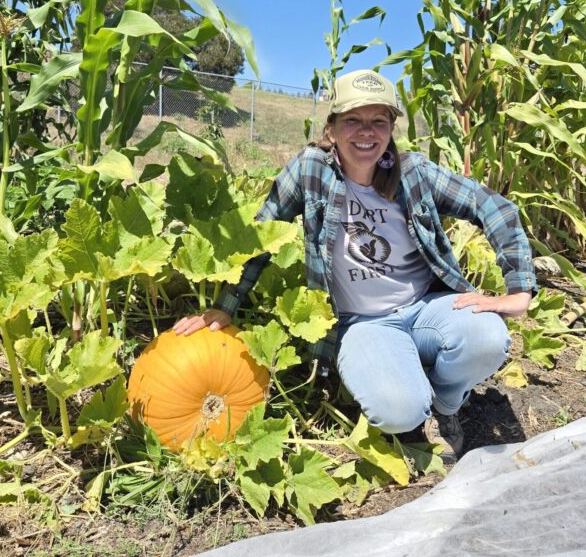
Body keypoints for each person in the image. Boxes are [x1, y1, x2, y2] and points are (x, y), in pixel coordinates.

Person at [174, 69, 537, 463]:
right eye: (353, 120)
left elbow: (494, 207)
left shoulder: (414, 173)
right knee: (398, 413)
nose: (366, 132)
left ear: (391, 129)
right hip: (362, 323)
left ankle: (445, 406)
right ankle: (410, 390)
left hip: (426, 308)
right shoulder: (310, 170)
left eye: (378, 120)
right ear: (331, 130)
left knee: (488, 339)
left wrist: (519, 290)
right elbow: (262, 235)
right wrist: (225, 307)